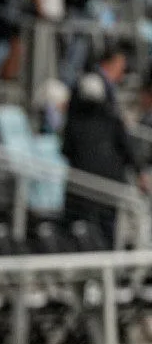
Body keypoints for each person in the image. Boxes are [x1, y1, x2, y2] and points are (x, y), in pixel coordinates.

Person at [62, 53, 149, 246]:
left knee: (86, 231)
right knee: (101, 232)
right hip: (103, 186)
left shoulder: (77, 123)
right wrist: (139, 172)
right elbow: (125, 145)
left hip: (88, 186)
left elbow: (66, 150)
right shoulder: (108, 120)